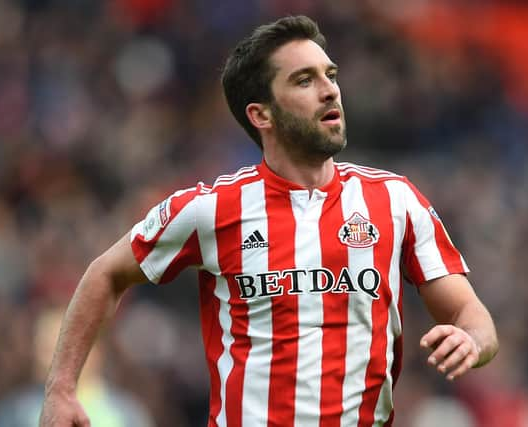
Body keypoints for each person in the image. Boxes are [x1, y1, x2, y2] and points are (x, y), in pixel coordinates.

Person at [40, 15, 498, 426]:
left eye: (330, 75)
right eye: (304, 80)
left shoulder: (396, 200)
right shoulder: (212, 209)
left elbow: (470, 314)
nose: (329, 89)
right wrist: (62, 389)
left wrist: (472, 342)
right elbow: (105, 273)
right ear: (261, 114)